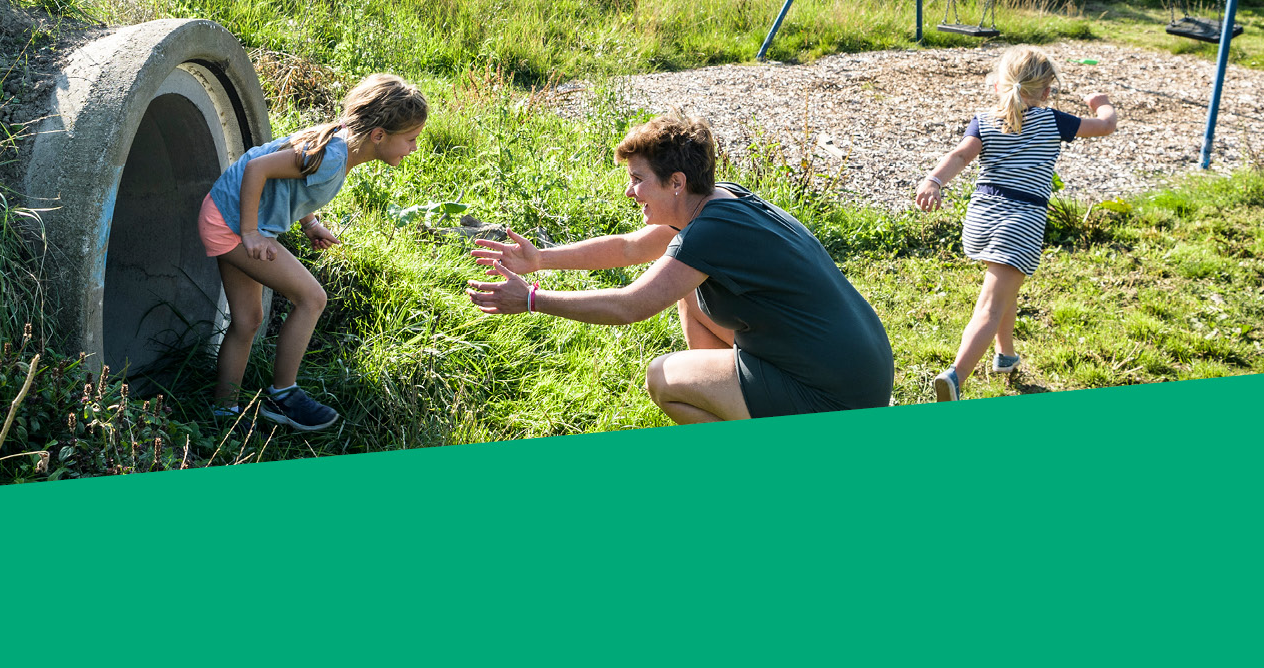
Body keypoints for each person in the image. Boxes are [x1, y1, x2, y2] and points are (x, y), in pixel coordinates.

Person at [466, 114, 892, 422]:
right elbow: (632, 247)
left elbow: (630, 306)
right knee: (687, 289)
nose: (630, 191)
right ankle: (736, 401)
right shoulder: (720, 200)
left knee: (662, 379)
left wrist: (531, 299)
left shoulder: (708, 234)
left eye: (637, 179)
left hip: (834, 397)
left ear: (676, 183)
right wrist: (542, 260)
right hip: (855, 367)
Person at [199, 73, 428, 431]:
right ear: (379, 136)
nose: (414, 148)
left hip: (222, 213)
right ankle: (284, 395)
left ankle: (224, 413)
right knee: (311, 298)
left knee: (248, 321)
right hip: (231, 224)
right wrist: (249, 233)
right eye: (411, 139)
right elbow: (258, 168)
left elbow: (290, 182)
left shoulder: (338, 143)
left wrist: (309, 224)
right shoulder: (334, 158)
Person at [915, 46, 1117, 402]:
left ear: (1000, 85)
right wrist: (1101, 102)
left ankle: (1005, 355)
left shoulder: (985, 119)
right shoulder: (1054, 120)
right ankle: (956, 376)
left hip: (982, 216)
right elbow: (1106, 126)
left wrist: (934, 180)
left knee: (1005, 291)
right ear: (1045, 91)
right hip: (1020, 221)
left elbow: (960, 155)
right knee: (990, 306)